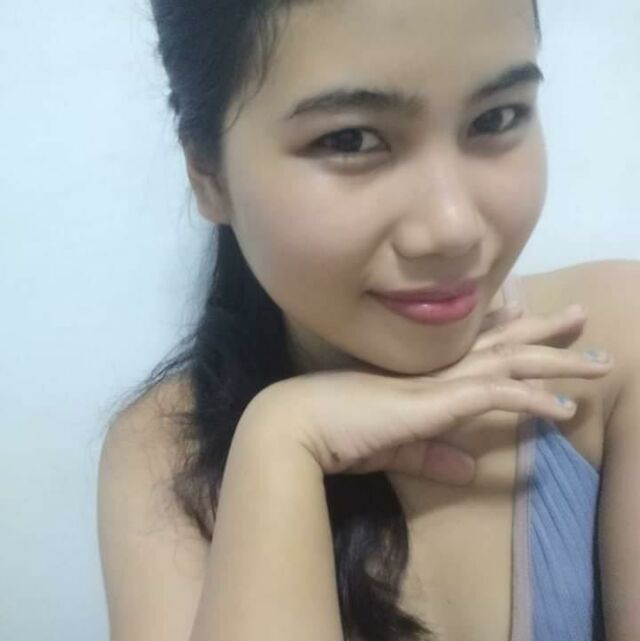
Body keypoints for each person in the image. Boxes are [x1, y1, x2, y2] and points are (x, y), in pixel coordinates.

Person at [97, 1, 640, 640]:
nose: (453, 228)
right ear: (208, 171)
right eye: (350, 139)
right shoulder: (166, 451)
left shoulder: (612, 346)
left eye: (495, 118)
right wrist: (280, 441)